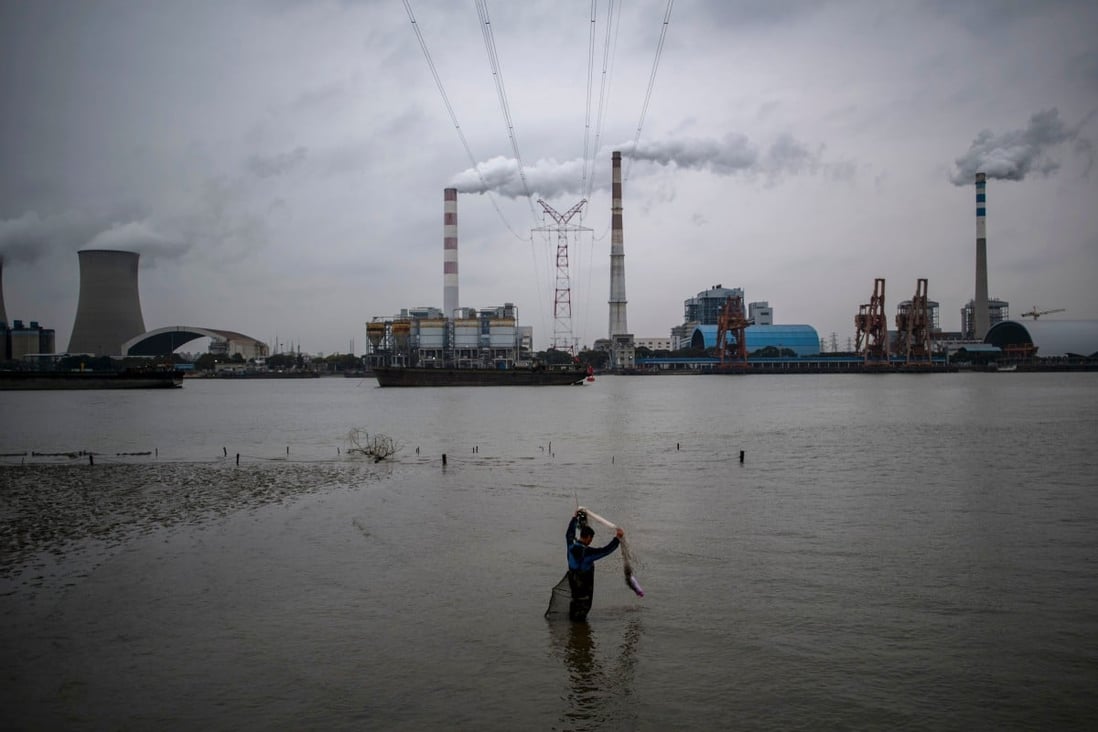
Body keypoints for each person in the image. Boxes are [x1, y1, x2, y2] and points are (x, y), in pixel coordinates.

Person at [565, 509, 624, 621]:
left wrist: (574, 518)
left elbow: (569, 534)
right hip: (584, 597)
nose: (591, 541)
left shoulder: (570, 547)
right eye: (591, 539)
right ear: (587, 537)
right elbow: (605, 551)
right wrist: (617, 538)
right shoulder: (587, 553)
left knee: (573, 617)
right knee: (580, 621)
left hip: (573, 592)